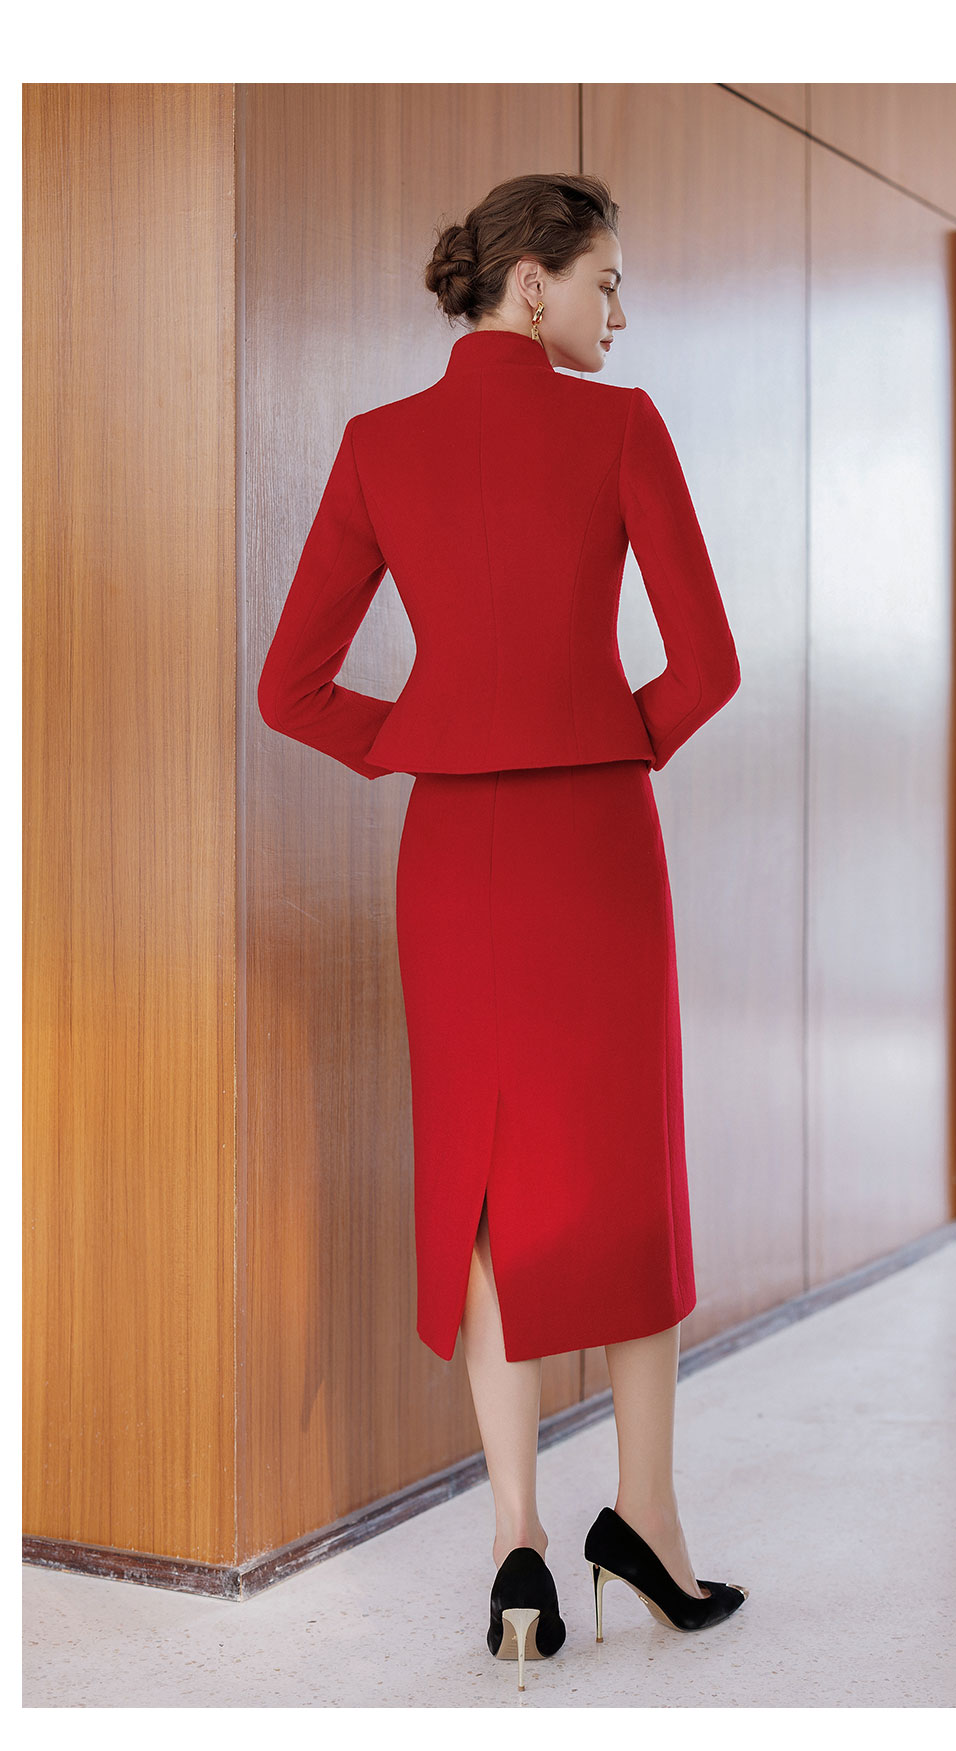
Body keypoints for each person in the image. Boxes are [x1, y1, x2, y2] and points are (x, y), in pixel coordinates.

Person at [257, 172, 747, 1690]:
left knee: (478, 1178)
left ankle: (517, 1548)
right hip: (595, 840)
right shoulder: (623, 428)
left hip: (451, 853)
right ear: (531, 284)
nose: (621, 313)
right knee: (628, 1166)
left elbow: (291, 687)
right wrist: (603, 738)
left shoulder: (376, 445)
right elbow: (708, 665)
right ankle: (646, 1523)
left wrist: (431, 739)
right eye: (607, 281)